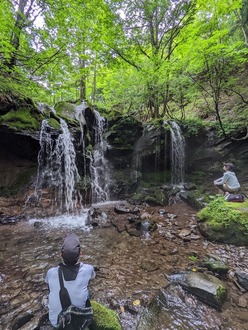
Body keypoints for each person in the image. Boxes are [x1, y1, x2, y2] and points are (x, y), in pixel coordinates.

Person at [45, 233, 95, 329]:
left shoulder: (51, 272)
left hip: (56, 323)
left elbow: (48, 284)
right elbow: (92, 277)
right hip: (79, 323)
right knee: (87, 291)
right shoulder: (88, 269)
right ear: (81, 254)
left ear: (61, 254)